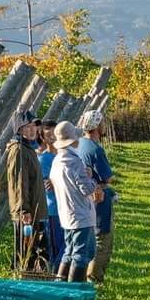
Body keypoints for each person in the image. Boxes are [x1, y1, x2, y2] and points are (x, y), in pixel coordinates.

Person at [49, 121, 98, 282]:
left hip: (66, 214)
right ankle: (74, 290)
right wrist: (91, 178)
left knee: (69, 252)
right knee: (81, 254)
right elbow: (86, 189)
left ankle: (61, 285)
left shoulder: (57, 161)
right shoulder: (75, 162)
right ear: (73, 140)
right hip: (81, 214)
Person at [4, 109, 47, 274]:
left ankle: (27, 278)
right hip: (26, 212)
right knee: (24, 251)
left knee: (31, 249)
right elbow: (18, 183)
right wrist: (23, 210)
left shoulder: (28, 148)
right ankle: (19, 280)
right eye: (27, 126)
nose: (32, 130)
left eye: (34, 126)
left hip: (33, 209)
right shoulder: (18, 150)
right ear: (18, 129)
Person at [76, 108, 116, 283]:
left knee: (90, 235)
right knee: (103, 239)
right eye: (102, 122)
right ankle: (94, 277)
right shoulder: (95, 149)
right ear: (97, 126)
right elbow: (108, 177)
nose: (104, 125)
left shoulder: (79, 144)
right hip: (98, 197)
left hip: (83, 198)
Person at [37, 120, 63, 270]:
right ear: (43, 138)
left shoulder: (64, 155)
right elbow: (47, 186)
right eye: (49, 135)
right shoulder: (44, 159)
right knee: (56, 246)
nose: (53, 138)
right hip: (53, 210)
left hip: (67, 208)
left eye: (55, 134)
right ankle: (56, 274)